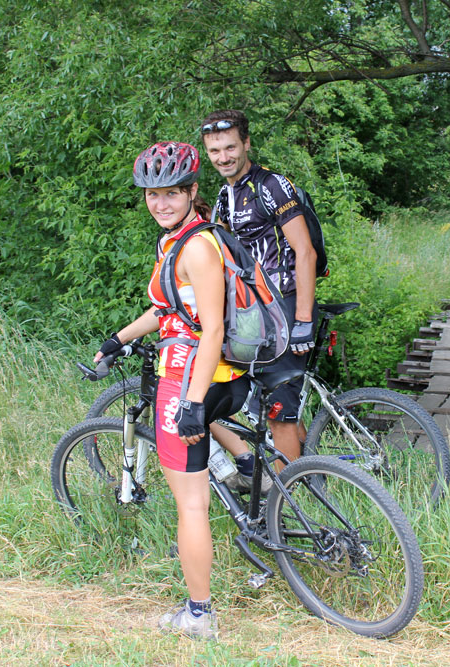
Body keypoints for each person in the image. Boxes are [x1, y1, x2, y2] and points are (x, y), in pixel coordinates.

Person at [94, 141, 248, 640]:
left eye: (171, 193)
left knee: (191, 505)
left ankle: (199, 615)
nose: (160, 203)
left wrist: (192, 403)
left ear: (191, 191)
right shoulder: (181, 239)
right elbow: (170, 310)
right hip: (217, 376)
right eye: (151, 194)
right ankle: (246, 467)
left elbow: (213, 330)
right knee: (204, 474)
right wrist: (119, 339)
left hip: (190, 379)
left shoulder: (196, 248)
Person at [199, 110, 317, 470]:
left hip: (285, 304)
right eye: (215, 150)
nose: (223, 157)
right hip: (255, 311)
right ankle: (309, 472)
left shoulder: (271, 186)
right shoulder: (225, 196)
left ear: (246, 144)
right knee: (266, 402)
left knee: (280, 411)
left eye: (230, 147)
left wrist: (303, 319)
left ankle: (288, 496)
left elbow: (305, 252)